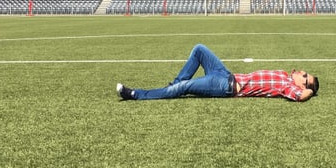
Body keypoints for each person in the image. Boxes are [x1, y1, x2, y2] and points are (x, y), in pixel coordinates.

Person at [116, 43, 319, 102]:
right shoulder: (286, 76)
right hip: (226, 74)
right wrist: (299, 78)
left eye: (305, 76)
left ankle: (136, 94)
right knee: (199, 49)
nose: (301, 72)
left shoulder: (288, 86)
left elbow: (301, 96)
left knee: (184, 88)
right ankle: (174, 85)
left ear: (302, 84)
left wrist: (307, 89)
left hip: (225, 86)